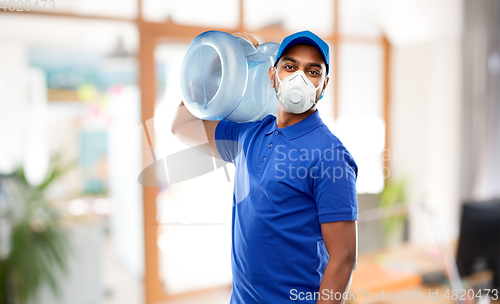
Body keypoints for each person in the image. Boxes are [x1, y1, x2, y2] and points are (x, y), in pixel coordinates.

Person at [172, 30, 358, 304]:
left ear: (324, 84)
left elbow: (343, 259)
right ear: (272, 75)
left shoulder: (329, 155)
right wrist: (222, 57)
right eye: (290, 66)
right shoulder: (249, 136)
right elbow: (182, 125)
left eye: (313, 71)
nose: (300, 78)